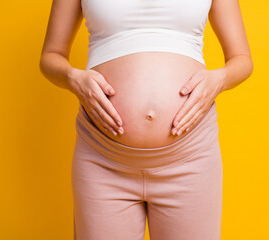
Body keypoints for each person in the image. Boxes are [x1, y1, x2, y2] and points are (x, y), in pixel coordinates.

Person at [39, 0, 253, 239]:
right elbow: (51, 55)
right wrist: (73, 77)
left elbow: (242, 58)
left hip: (190, 157)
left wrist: (219, 79)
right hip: (103, 158)